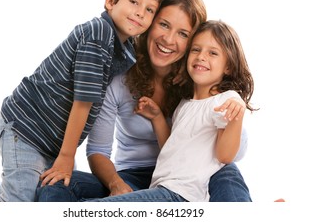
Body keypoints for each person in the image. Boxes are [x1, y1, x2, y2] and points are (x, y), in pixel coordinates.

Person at [0, 0, 167, 202]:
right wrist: (67, 157)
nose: (141, 12)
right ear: (110, 1)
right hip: (28, 129)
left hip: (52, 138)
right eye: (134, 2)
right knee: (19, 208)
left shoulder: (125, 47)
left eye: (150, 9)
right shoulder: (99, 35)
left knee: (43, 195)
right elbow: (83, 101)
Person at [36, 0, 251, 202]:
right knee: (54, 184)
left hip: (189, 180)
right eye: (164, 25)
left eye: (183, 34)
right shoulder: (120, 79)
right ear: (149, 24)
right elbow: (98, 150)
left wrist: (233, 112)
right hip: (133, 176)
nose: (168, 39)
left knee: (226, 172)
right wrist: (115, 183)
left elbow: (230, 154)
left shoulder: (201, 84)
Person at [86, 19, 256, 202]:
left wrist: (236, 118)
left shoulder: (226, 100)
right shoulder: (185, 103)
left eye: (213, 53)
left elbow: (225, 156)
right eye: (196, 49)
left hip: (182, 194)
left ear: (228, 66)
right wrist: (157, 117)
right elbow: (172, 148)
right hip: (163, 188)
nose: (201, 57)